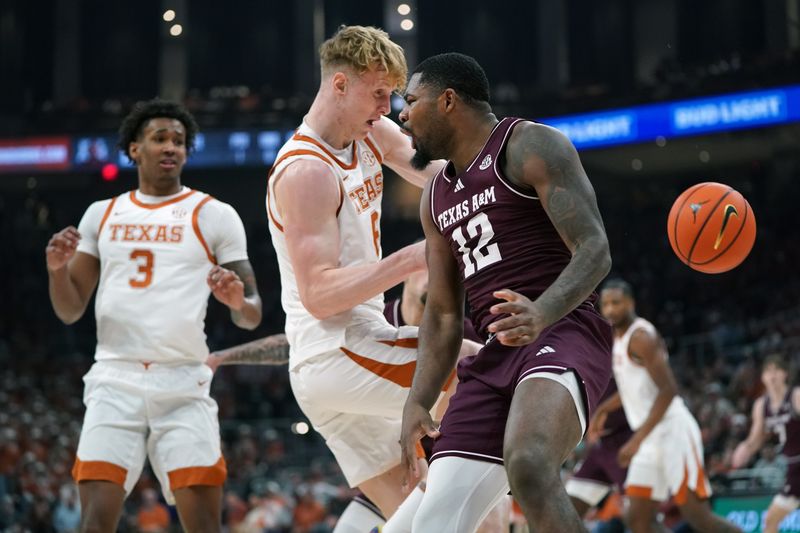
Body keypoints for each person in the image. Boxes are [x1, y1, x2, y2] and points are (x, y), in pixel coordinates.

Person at [265, 25, 480, 531]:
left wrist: (504, 184)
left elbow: (441, 176)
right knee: (484, 372)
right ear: (340, 85)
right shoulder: (305, 171)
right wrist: (411, 260)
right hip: (335, 349)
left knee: (431, 511)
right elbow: (318, 294)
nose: (388, 108)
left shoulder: (370, 133)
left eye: (392, 95)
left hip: (352, 352)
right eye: (378, 93)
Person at [392, 52, 614, 533]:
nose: (402, 114)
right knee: (435, 522)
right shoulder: (435, 198)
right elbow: (445, 315)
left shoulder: (528, 144)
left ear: (447, 100)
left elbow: (595, 248)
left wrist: (542, 311)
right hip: (496, 356)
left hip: (565, 330)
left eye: (410, 101)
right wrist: (418, 399)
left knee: (529, 463)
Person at [46, 99, 263, 532]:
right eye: (159, 138)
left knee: (203, 525)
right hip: (114, 377)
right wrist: (56, 271)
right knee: (95, 522)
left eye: (179, 141)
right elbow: (70, 310)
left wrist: (238, 300)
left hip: (182, 380)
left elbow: (252, 315)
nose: (171, 148)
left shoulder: (215, 214)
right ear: (133, 149)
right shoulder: (101, 214)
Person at [592, 279, 741, 533]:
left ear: (630, 303)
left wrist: (636, 440)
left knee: (698, 517)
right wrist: (604, 410)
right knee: (637, 521)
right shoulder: (617, 338)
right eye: (605, 304)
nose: (610, 310)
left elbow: (669, 390)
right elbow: (632, 388)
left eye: (616, 303)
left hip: (673, 432)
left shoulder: (641, 337)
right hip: (649, 438)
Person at [732, 354, 800, 533]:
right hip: (794, 471)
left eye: (777, 370)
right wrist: (745, 448)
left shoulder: (796, 396)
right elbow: (756, 438)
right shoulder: (761, 405)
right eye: (768, 371)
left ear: (785, 374)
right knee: (770, 521)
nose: (772, 375)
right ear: (762, 377)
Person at [565, 379, 632, 519]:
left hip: (627, 438)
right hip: (600, 445)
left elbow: (635, 386)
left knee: (638, 518)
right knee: (566, 511)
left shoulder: (620, 361)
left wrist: (603, 410)